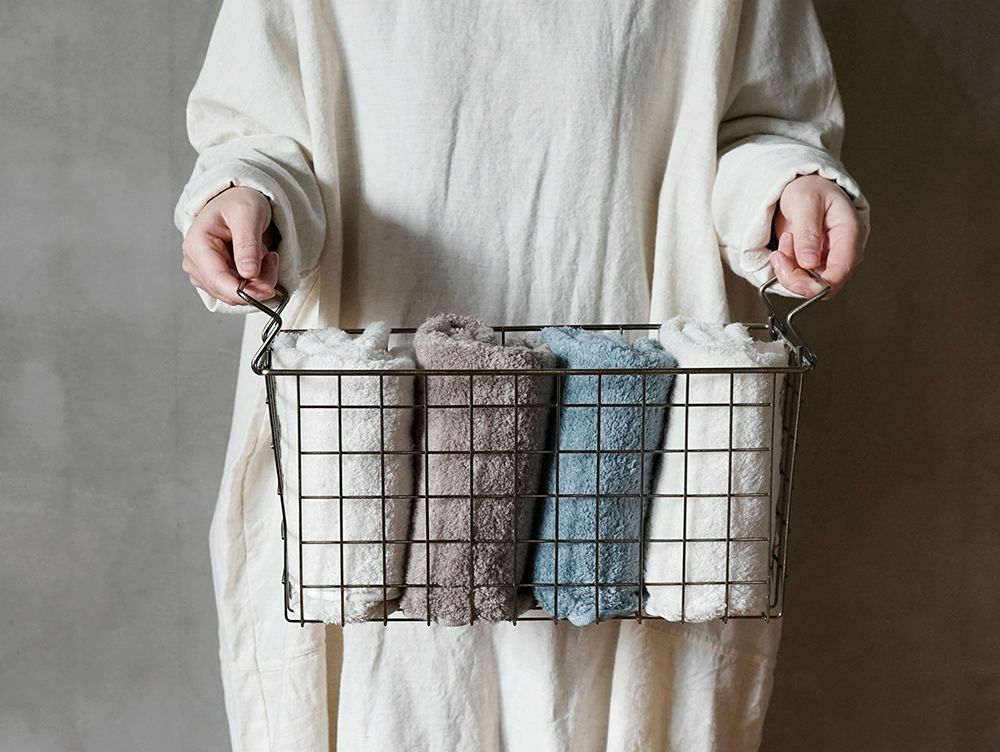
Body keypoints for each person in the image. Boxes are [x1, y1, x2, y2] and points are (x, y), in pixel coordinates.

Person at [175, 2, 870, 750]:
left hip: (646, 406)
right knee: (388, 699)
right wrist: (244, 197)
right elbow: (261, 131)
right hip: (365, 414)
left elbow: (763, 120)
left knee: (611, 701)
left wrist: (789, 189)